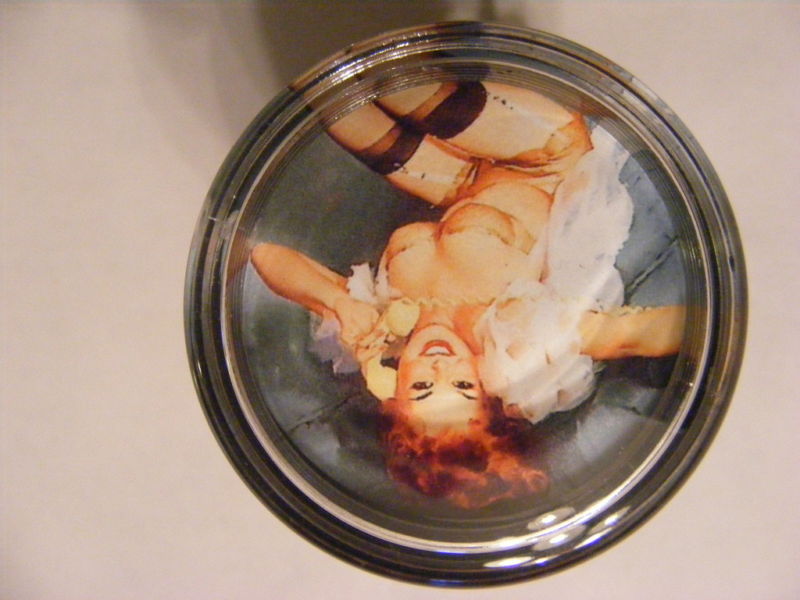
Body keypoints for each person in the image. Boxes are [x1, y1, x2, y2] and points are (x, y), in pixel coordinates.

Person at [250, 81, 685, 508]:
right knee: (387, 82)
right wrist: (720, 331)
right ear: (487, 385)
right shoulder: (515, 335)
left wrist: (341, 303)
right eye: (462, 385)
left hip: (461, 179)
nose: (440, 365)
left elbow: (264, 256)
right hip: (549, 158)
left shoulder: (383, 327)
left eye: (422, 387)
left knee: (330, 100)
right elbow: (631, 335)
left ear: (393, 392)